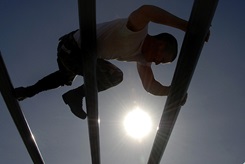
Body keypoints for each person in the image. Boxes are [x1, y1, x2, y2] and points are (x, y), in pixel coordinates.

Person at [14, 5, 188, 119]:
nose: (157, 64)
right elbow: (146, 11)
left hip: (76, 56)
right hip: (72, 47)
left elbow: (150, 86)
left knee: (63, 78)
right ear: (161, 45)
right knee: (116, 76)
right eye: (162, 60)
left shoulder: (142, 60)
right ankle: (76, 95)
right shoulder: (137, 30)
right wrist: (187, 26)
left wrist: (173, 93)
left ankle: (26, 92)